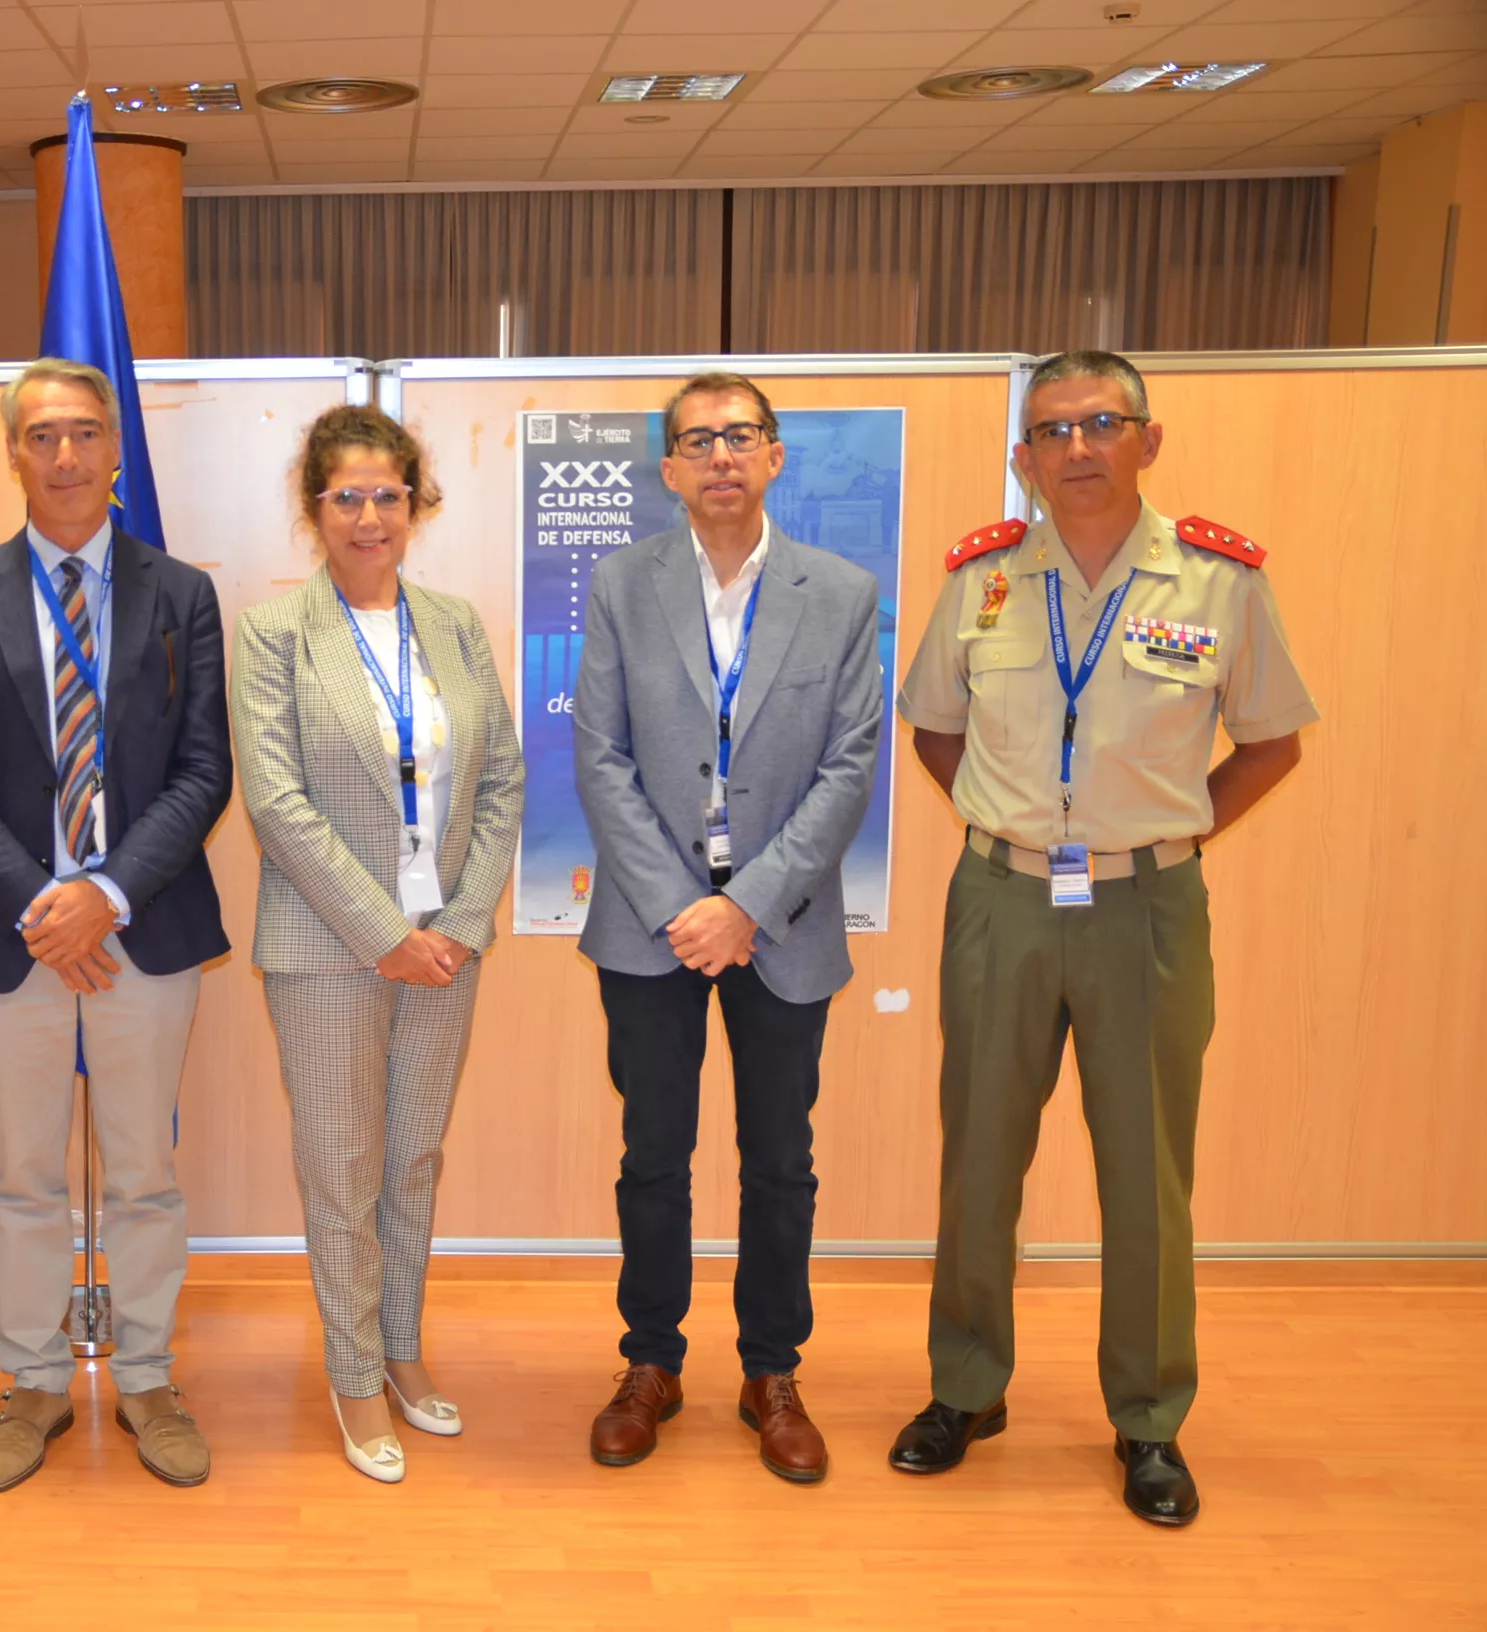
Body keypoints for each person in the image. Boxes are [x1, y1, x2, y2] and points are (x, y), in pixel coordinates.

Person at [890, 349, 1316, 1527]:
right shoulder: (981, 581)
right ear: (1022, 456)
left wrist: (1167, 842)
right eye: (1051, 430)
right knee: (978, 1156)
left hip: (1146, 912)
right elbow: (932, 725)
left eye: (1100, 423)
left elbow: (1273, 742)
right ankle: (967, 1389)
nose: (1075, 447)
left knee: (1146, 1169)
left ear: (1147, 439)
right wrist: (1006, 818)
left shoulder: (1216, 582)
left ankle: (1148, 1419)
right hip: (1001, 902)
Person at [0, 358, 232, 1495]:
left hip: (144, 925)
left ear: (114, 450)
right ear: (13, 454)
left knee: (143, 1173)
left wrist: (107, 894)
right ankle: (34, 1383)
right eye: (41, 436)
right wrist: (46, 904)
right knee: (24, 1177)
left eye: (85, 434)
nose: (66, 457)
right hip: (12, 932)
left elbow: (203, 771)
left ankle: (146, 1378)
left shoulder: (181, 593)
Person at [573, 372, 883, 1484]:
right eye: (695, 440)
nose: (718, 457)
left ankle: (770, 1370)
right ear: (667, 468)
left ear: (775, 456)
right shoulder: (620, 583)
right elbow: (599, 758)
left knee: (779, 1161)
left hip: (781, 924)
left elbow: (852, 764)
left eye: (739, 436)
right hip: (649, 922)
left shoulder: (841, 592)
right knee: (653, 1155)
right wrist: (681, 904)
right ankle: (649, 1363)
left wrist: (746, 905)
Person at [230, 404, 524, 1485]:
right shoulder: (272, 636)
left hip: (445, 946)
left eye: (386, 496)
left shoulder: (452, 625)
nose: (368, 516)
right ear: (315, 509)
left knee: (412, 1156)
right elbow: (275, 800)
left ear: (416, 504)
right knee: (342, 1164)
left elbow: (500, 781)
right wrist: (381, 932)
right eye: (345, 496)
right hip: (324, 946)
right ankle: (352, 1376)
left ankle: (400, 1347)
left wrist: (453, 924)